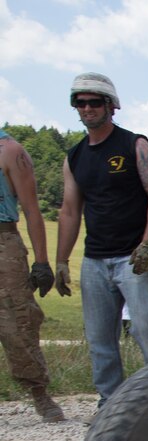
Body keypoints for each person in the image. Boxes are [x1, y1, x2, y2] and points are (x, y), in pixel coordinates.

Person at [56, 72, 148, 407]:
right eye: (80, 102)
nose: (87, 108)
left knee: (146, 330)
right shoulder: (74, 157)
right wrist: (61, 260)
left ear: (111, 106)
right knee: (99, 338)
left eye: (94, 102)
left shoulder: (134, 145)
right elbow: (70, 211)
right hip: (95, 260)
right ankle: (111, 404)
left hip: (134, 257)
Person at [0, 128, 64, 422]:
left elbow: (31, 209)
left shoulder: (11, 151)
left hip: (3, 242)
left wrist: (41, 262)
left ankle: (39, 393)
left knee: (18, 320)